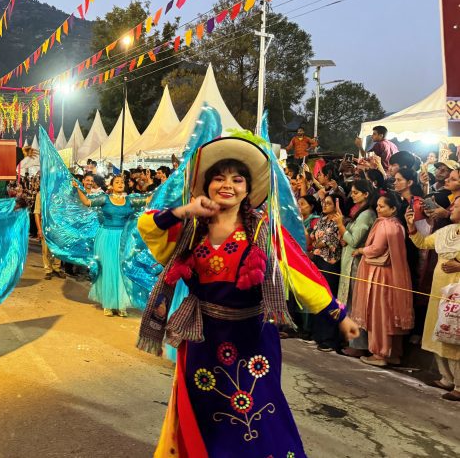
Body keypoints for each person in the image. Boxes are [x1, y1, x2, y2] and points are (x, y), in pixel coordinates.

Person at [135, 137, 358, 457]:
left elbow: (302, 274)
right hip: (202, 339)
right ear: (207, 185)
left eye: (236, 179)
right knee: (204, 414)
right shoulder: (190, 227)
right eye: (219, 177)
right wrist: (186, 209)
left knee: (261, 413)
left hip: (253, 339)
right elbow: (149, 227)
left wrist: (339, 315)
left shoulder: (264, 230)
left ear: (247, 188)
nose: (227, 185)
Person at [350, 192, 414, 366]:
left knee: (379, 314)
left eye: (382, 206)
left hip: (379, 275)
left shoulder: (385, 224)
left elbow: (376, 249)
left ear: (392, 209)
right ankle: (394, 353)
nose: (378, 209)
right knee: (390, 313)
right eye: (377, 205)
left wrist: (361, 250)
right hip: (393, 275)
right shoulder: (398, 225)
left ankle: (380, 353)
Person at [73, 175, 149, 316]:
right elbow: (87, 202)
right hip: (107, 237)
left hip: (124, 239)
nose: (120, 184)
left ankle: (121, 305)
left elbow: (149, 200)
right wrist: (78, 188)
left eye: (122, 182)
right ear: (111, 185)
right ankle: (108, 304)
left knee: (122, 270)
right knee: (108, 269)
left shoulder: (130, 200)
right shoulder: (104, 198)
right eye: (117, 182)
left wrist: (166, 186)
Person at [406, 203, 460, 401]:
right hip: (439, 291)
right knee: (439, 331)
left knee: (454, 336)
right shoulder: (446, 231)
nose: (451, 208)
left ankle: (459, 385)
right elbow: (423, 242)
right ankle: (446, 378)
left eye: (456, 206)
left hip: (457, 294)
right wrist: (411, 226)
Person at [332, 179, 377, 357]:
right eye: (352, 192)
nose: (352, 195)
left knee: (355, 305)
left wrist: (341, 225)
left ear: (366, 194)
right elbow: (348, 238)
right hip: (349, 260)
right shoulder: (359, 212)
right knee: (349, 304)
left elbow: (354, 240)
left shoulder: (367, 215)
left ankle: (358, 344)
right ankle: (351, 341)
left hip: (356, 264)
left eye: (356, 192)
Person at [309, 195, 344, 351]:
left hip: (330, 264)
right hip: (317, 260)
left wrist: (318, 243)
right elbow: (312, 238)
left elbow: (330, 243)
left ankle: (329, 339)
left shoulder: (341, 221)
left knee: (329, 300)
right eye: (324, 202)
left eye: (329, 203)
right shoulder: (322, 220)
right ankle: (317, 335)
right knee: (318, 298)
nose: (325, 205)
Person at [34, 190, 64, 280]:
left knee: (58, 248)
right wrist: (39, 229)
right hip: (46, 225)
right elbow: (37, 212)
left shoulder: (60, 192)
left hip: (59, 225)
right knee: (46, 249)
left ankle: (56, 267)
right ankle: (48, 270)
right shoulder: (40, 194)